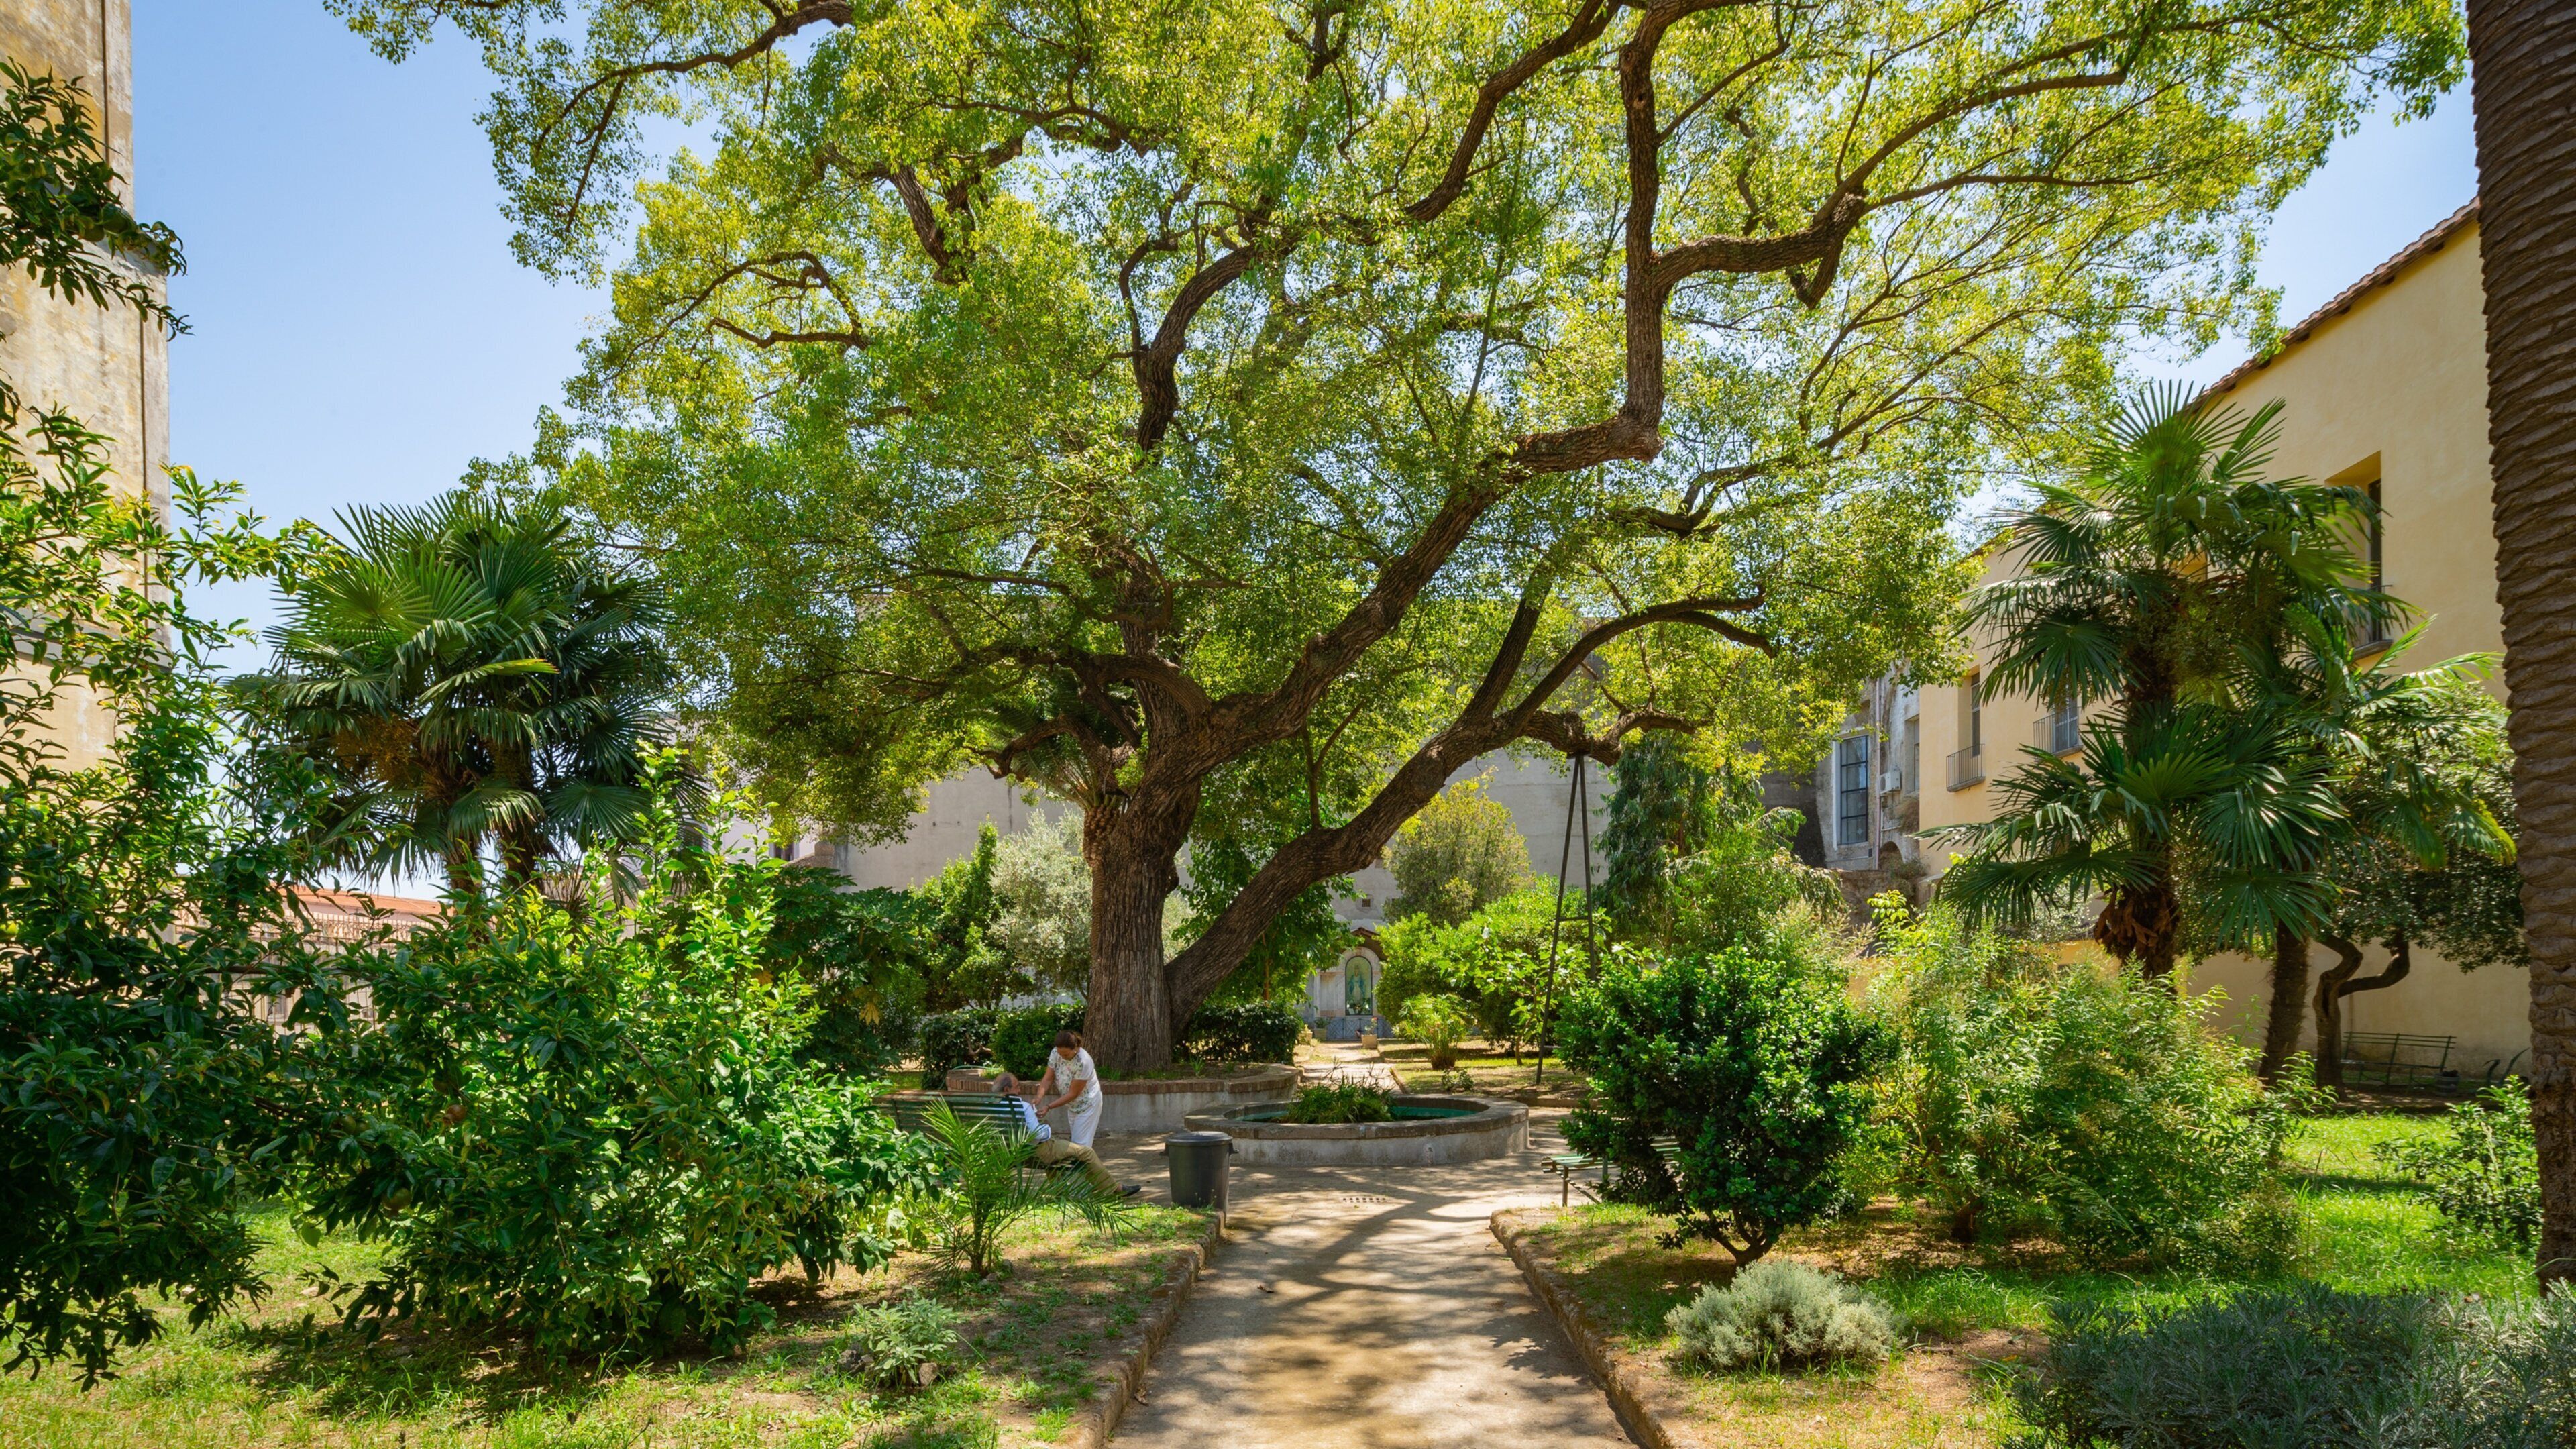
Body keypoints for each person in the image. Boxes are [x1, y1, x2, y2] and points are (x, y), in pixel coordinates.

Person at [991, 1071, 1135, 1196]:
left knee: (1059, 1157)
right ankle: (1115, 1188)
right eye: (1017, 1087)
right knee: (1086, 1153)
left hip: (1009, 1153)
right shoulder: (1023, 1107)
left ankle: (1060, 1192)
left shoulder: (991, 1107)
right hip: (1037, 1152)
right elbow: (1038, 1135)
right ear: (1007, 1089)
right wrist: (1046, 1128)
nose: (1020, 1090)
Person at [1035, 1029, 1104, 1149]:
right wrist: (1039, 1097)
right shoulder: (1056, 1052)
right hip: (1072, 1105)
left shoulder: (1084, 1062)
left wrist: (1049, 1106)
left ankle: (1084, 1162)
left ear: (1076, 1048)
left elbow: (1073, 1094)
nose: (1062, 1057)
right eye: (1060, 1054)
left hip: (1088, 1104)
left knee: (1080, 1146)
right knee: (1076, 1142)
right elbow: (1048, 1078)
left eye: (1066, 1055)